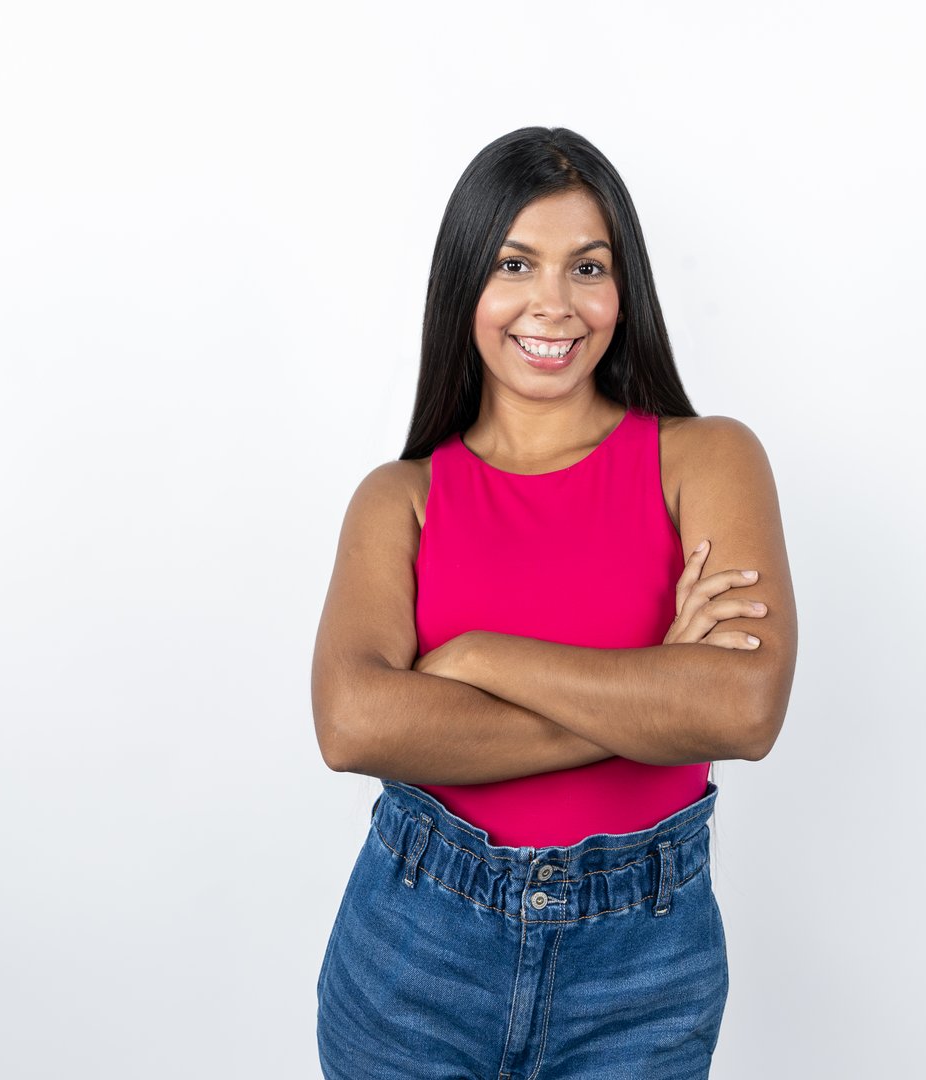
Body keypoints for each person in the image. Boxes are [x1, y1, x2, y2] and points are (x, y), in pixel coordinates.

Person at [310, 126, 797, 1078]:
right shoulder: (399, 497)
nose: (554, 304)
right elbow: (352, 724)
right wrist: (655, 691)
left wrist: (484, 658)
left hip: (643, 972)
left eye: (588, 266)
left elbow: (741, 708)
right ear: (466, 285)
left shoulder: (706, 459)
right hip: (416, 952)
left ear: (626, 287)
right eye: (515, 262)